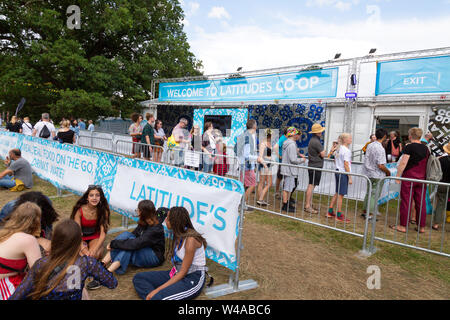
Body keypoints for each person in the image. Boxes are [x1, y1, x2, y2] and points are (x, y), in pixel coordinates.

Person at [9, 219, 117, 300]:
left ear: (54, 239)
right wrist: (98, 268)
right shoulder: (87, 263)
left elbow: (18, 295)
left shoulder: (41, 263)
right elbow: (112, 283)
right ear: (79, 240)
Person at [87, 201, 165, 290]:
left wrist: (114, 244)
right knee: (126, 235)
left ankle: (106, 274)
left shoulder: (156, 229)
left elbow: (135, 244)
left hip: (154, 256)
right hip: (143, 247)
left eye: (138, 210)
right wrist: (117, 243)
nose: (137, 212)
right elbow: (133, 235)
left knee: (129, 246)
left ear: (144, 213)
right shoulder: (145, 221)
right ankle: (102, 265)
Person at [133, 206, 207, 300]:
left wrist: (158, 290)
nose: (165, 220)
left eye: (167, 218)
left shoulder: (190, 240)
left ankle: (157, 297)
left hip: (192, 277)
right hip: (177, 272)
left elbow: (183, 273)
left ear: (175, 222)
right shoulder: (178, 233)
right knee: (139, 278)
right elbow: (179, 272)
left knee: (158, 296)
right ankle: (155, 297)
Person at [0, 202, 42, 300]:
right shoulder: (28, 239)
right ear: (36, 221)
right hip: (6, 286)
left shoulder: (4, 232)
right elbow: (38, 271)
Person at [391, 127, 429, 234]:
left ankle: (403, 225)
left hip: (409, 177)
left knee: (406, 201)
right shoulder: (426, 149)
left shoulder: (409, 147)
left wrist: (398, 176)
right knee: (421, 203)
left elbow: (403, 163)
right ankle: (421, 227)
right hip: (422, 178)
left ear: (409, 136)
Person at [70, 185, 110, 260]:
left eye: (97, 195)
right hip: (80, 238)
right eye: (91, 195)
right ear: (87, 198)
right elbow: (77, 232)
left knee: (96, 255)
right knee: (81, 255)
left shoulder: (104, 211)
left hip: (95, 237)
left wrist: (94, 250)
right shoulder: (79, 210)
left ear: (100, 197)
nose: (94, 198)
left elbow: (103, 234)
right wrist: (83, 248)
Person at [362, 129, 391, 219]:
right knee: (374, 195)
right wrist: (388, 172)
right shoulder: (380, 148)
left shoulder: (370, 145)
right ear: (384, 137)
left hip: (369, 173)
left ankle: (365, 210)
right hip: (377, 174)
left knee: (369, 193)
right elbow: (380, 165)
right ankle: (369, 214)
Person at [236, 119, 263, 212]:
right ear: (254, 126)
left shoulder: (245, 135)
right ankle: (242, 204)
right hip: (246, 165)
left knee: (244, 185)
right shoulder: (248, 137)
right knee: (252, 184)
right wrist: (257, 158)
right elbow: (247, 155)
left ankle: (240, 203)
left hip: (244, 164)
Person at [327, 133, 353, 222]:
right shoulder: (346, 150)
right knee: (341, 194)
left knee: (337, 192)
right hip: (342, 172)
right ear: (345, 140)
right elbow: (346, 164)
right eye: (350, 138)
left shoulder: (338, 148)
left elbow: (335, 159)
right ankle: (338, 214)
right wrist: (349, 177)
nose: (351, 139)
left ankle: (330, 211)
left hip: (338, 171)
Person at [280, 127, 306, 213]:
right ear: (293, 134)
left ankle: (286, 203)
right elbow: (293, 159)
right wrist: (302, 160)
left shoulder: (288, 143)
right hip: (289, 169)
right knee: (287, 188)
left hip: (288, 168)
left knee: (289, 187)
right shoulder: (291, 144)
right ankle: (285, 204)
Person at [305, 123, 326, 214]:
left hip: (313, 165)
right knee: (311, 185)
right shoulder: (316, 141)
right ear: (317, 132)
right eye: (320, 131)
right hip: (315, 166)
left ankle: (309, 204)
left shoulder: (313, 140)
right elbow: (323, 154)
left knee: (311, 185)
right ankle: (307, 206)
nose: (321, 132)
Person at [434, 142, 450, 231]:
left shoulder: (442, 160)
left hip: (443, 183)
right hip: (444, 183)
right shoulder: (442, 159)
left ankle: (436, 223)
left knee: (440, 203)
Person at [256, 129, 273, 206]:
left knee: (267, 183)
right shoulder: (263, 144)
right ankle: (260, 199)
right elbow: (260, 157)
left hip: (268, 164)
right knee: (264, 182)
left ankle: (260, 199)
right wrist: (265, 165)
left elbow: (269, 155)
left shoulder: (269, 143)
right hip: (264, 165)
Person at [273, 128, 289, 198]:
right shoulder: (283, 138)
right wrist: (279, 155)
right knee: (280, 177)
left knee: (282, 177)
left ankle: (281, 192)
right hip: (282, 162)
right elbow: (275, 147)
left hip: (284, 161)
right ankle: (277, 192)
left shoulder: (286, 138)